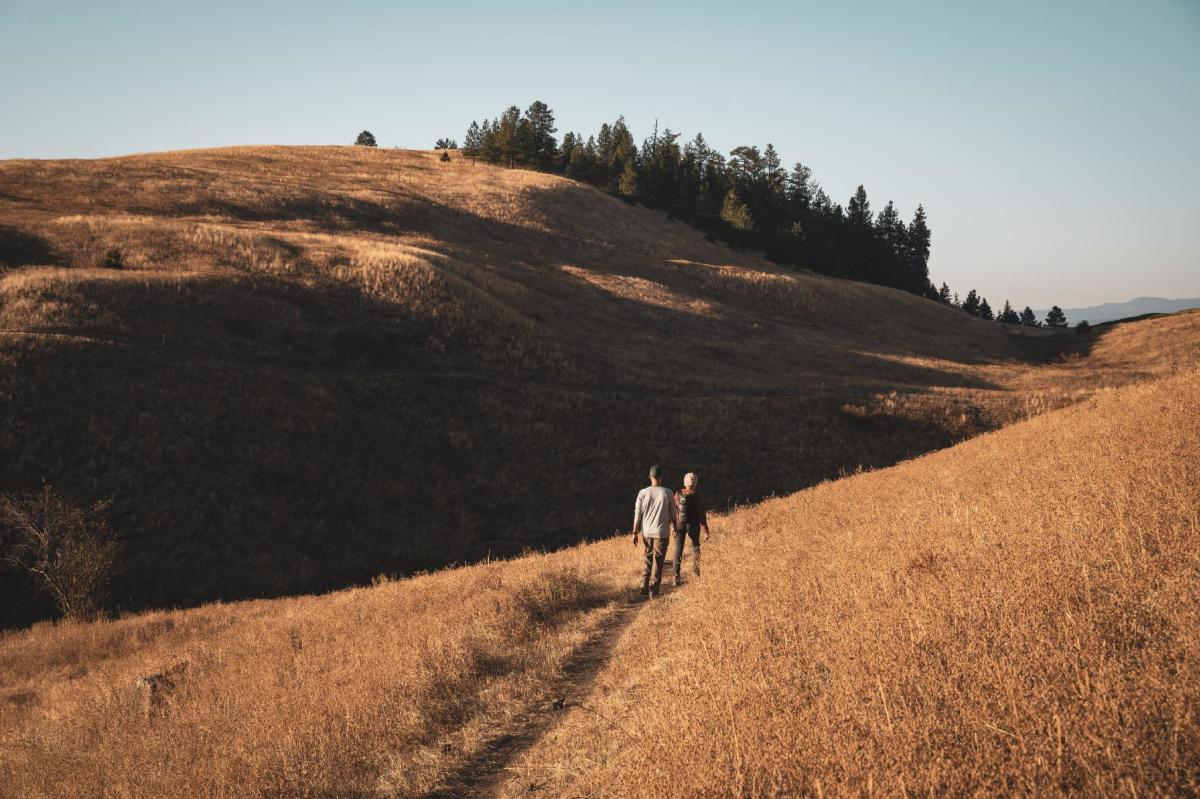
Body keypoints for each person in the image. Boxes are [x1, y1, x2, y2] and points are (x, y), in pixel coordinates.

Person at [631, 465, 678, 598]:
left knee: (648, 558)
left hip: (646, 533)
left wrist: (635, 532)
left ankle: (644, 586)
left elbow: (637, 514)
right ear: (661, 477)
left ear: (650, 477)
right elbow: (673, 514)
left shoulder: (643, 493)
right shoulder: (668, 492)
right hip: (661, 533)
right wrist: (675, 528)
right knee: (658, 561)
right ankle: (654, 590)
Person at [672, 471, 710, 585]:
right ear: (695, 483)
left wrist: (673, 527)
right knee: (695, 547)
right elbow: (701, 513)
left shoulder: (678, 493)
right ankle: (696, 573)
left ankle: (676, 577)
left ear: (685, 482)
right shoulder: (696, 495)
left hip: (679, 524)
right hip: (693, 525)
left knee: (678, 550)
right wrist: (705, 529)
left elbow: (674, 511)